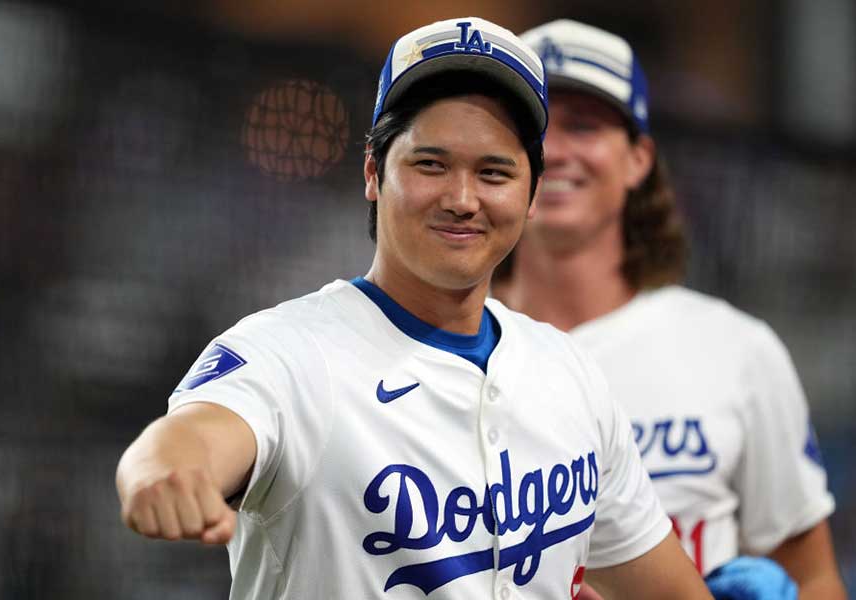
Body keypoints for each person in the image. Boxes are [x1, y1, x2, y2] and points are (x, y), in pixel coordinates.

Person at [116, 16, 712, 599]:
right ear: (374, 172)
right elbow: (191, 436)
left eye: (494, 173)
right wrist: (163, 473)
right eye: (431, 164)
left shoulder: (568, 370)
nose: (461, 199)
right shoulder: (289, 352)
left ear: (532, 194)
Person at [493, 18, 847, 599]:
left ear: (638, 159)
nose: (554, 151)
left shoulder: (736, 350)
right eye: (534, 128)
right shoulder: (443, 347)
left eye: (584, 127)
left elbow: (812, 577)